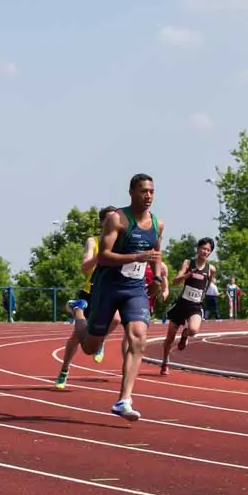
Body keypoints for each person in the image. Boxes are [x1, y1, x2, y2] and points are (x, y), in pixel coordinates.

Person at [66, 173, 166, 421]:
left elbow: (156, 254)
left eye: (152, 191)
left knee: (138, 337)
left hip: (134, 289)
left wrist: (156, 279)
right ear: (131, 192)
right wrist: (135, 257)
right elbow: (103, 257)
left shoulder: (157, 224)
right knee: (89, 347)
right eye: (143, 191)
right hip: (108, 287)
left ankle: (124, 400)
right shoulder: (117, 219)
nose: (148, 196)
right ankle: (78, 311)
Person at [55, 206, 121, 389]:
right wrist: (100, 257)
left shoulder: (121, 243)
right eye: (108, 219)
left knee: (116, 318)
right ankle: (64, 370)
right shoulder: (93, 241)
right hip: (90, 292)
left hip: (109, 292)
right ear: (102, 222)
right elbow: (84, 267)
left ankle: (100, 341)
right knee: (77, 336)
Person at [158, 237, 215, 375]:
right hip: (182, 303)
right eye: (203, 248)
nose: (205, 251)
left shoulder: (211, 269)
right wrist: (187, 275)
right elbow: (175, 281)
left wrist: (201, 296)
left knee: (194, 330)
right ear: (198, 249)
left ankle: (185, 334)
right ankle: (165, 362)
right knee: (170, 336)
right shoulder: (188, 263)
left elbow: (207, 285)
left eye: (208, 250)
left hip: (195, 305)